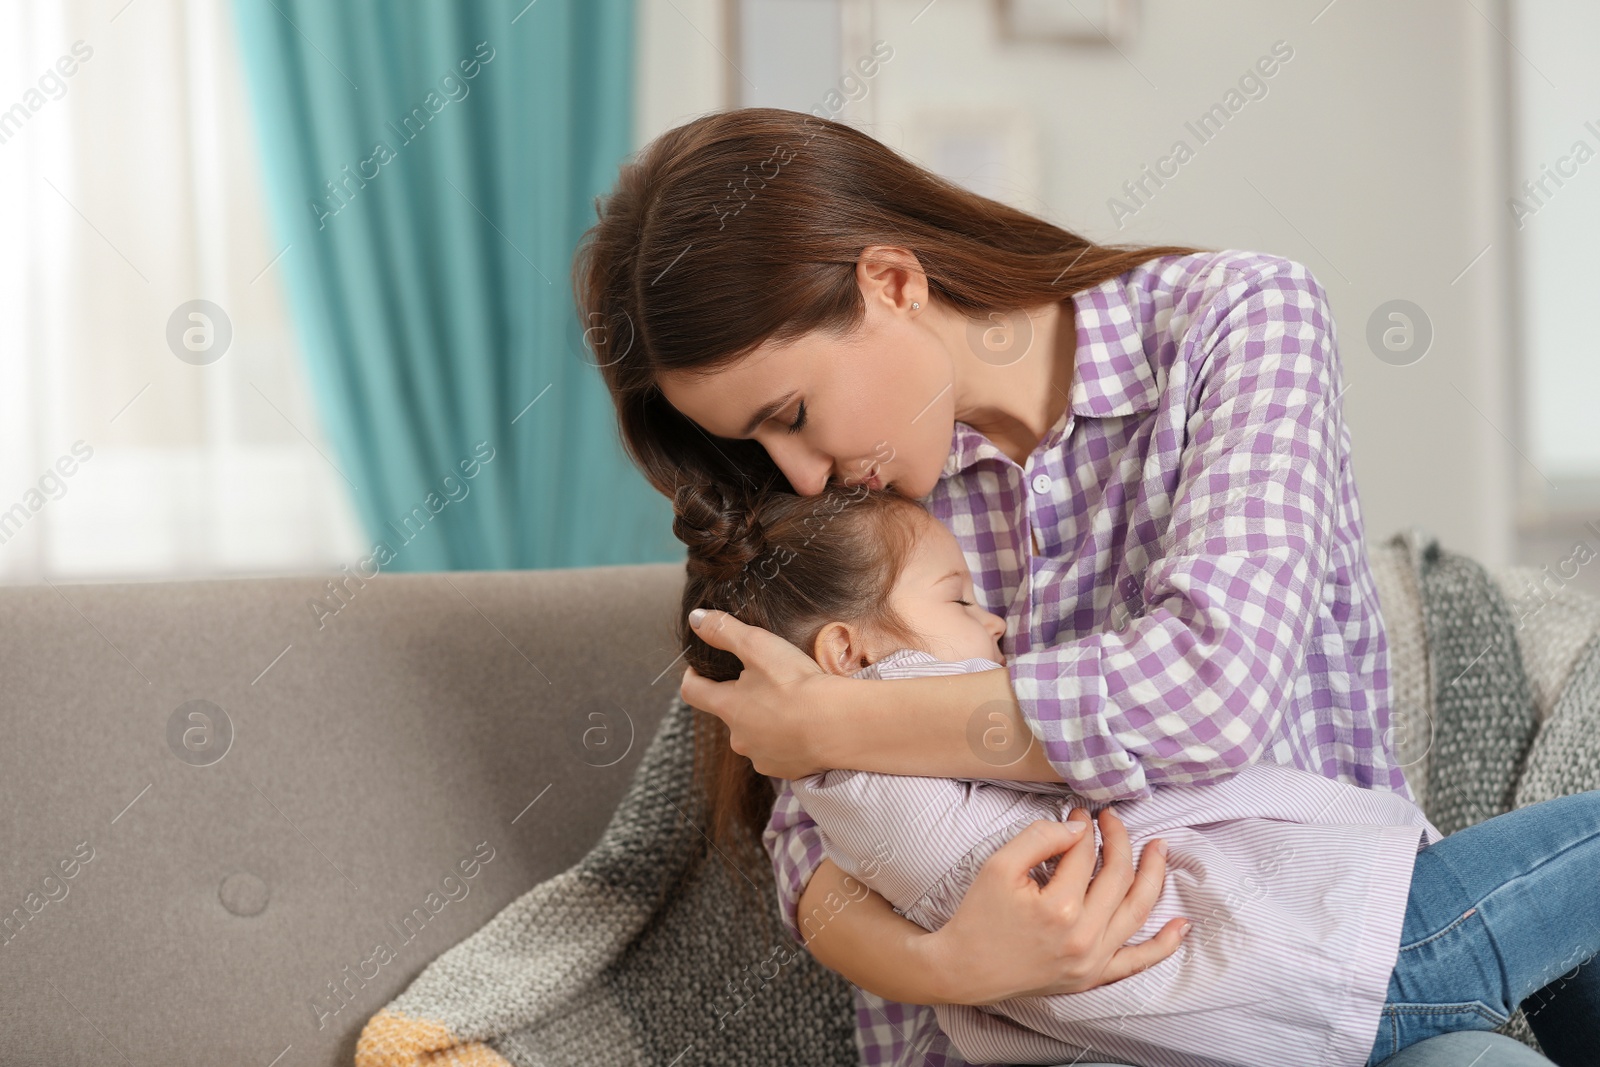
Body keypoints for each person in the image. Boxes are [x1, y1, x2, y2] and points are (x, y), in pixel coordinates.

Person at [572, 106, 1566, 1065]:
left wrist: (833, 723)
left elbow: (1205, 691)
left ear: (889, 281)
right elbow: (809, 842)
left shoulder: (1234, 321)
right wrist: (942, 961)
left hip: (1325, 957)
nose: (795, 473)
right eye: (752, 440)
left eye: (790, 411)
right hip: (1038, 1036)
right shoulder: (856, 515)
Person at [670, 477, 1600, 1066]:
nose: (997, 626)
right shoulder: (877, 790)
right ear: (849, 652)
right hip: (1353, 950)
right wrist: (826, 717)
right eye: (958, 601)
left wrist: (822, 718)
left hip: (1320, 987)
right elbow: (1144, 712)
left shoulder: (861, 786)